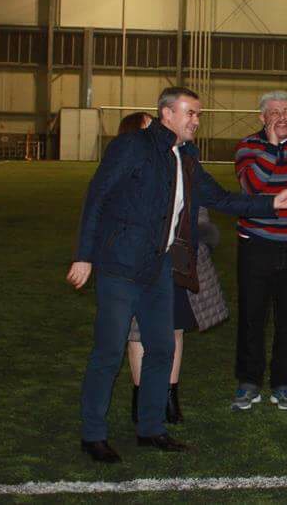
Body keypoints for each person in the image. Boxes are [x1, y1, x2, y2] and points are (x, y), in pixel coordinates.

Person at [67, 87, 287, 464]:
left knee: (162, 348)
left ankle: (151, 429)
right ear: (166, 113)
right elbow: (97, 196)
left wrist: (271, 203)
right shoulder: (132, 146)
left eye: (198, 114)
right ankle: (93, 434)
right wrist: (84, 256)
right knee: (108, 352)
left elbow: (220, 198)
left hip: (160, 267)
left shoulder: (187, 156)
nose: (196, 120)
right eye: (190, 113)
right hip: (120, 266)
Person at [117, 113, 228, 426]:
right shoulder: (123, 170)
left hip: (177, 261)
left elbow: (201, 206)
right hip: (138, 265)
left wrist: (200, 236)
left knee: (175, 328)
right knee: (138, 334)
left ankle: (169, 397)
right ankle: (142, 400)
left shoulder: (180, 163)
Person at [231, 91, 287, 411]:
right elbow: (252, 186)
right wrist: (272, 147)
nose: (282, 117)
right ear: (262, 117)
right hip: (257, 243)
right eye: (275, 112)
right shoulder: (248, 146)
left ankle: (283, 383)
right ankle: (249, 382)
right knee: (252, 316)